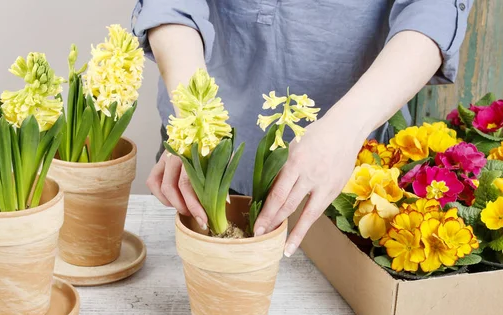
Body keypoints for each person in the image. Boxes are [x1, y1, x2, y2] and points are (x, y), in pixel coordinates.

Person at [131, 0, 473, 256]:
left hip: (350, 165)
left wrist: (346, 131)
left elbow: (433, 10)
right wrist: (193, 112)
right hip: (200, 147)